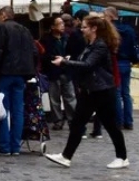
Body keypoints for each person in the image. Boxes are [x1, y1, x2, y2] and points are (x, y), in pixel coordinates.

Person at [45, 14, 129, 169]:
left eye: (84, 27)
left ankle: (122, 157)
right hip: (91, 89)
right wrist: (69, 60)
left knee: (110, 125)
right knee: (78, 123)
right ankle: (66, 156)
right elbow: (85, 62)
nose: (81, 30)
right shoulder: (92, 44)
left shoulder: (100, 45)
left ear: (94, 28)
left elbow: (89, 65)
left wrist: (64, 62)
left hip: (101, 90)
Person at [0, 6, 38, 156]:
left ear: (3, 15)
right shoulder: (25, 30)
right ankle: (15, 146)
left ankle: (4, 146)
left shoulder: (2, 28)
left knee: (2, 109)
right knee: (18, 110)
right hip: (22, 74)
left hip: (6, 72)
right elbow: (34, 52)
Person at [41, 16, 76, 130]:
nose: (63, 26)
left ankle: (73, 120)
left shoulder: (68, 38)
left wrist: (69, 57)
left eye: (63, 23)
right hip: (53, 72)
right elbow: (43, 56)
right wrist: (52, 58)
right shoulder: (46, 40)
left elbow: (73, 52)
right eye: (59, 23)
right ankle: (58, 120)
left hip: (67, 71)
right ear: (52, 27)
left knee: (70, 97)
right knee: (54, 98)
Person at [107, 7, 137, 130]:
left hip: (115, 62)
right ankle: (128, 121)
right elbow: (133, 46)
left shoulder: (110, 30)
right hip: (126, 63)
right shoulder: (129, 29)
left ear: (110, 16)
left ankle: (118, 122)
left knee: (117, 93)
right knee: (126, 93)